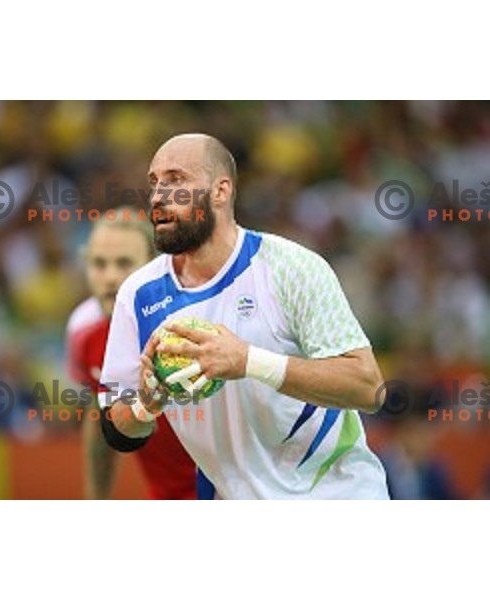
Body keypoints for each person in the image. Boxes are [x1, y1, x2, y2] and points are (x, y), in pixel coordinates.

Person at [97, 134, 390, 499]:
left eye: (176, 181)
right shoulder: (138, 295)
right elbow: (115, 431)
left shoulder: (290, 268)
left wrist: (247, 361)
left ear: (220, 191)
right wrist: (146, 403)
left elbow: (367, 386)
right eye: (154, 183)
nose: (157, 197)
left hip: (335, 494)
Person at [65, 207, 196, 499]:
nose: (111, 277)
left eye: (124, 264)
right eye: (99, 264)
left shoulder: (190, 326)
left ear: (154, 266)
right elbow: (99, 414)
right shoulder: (82, 329)